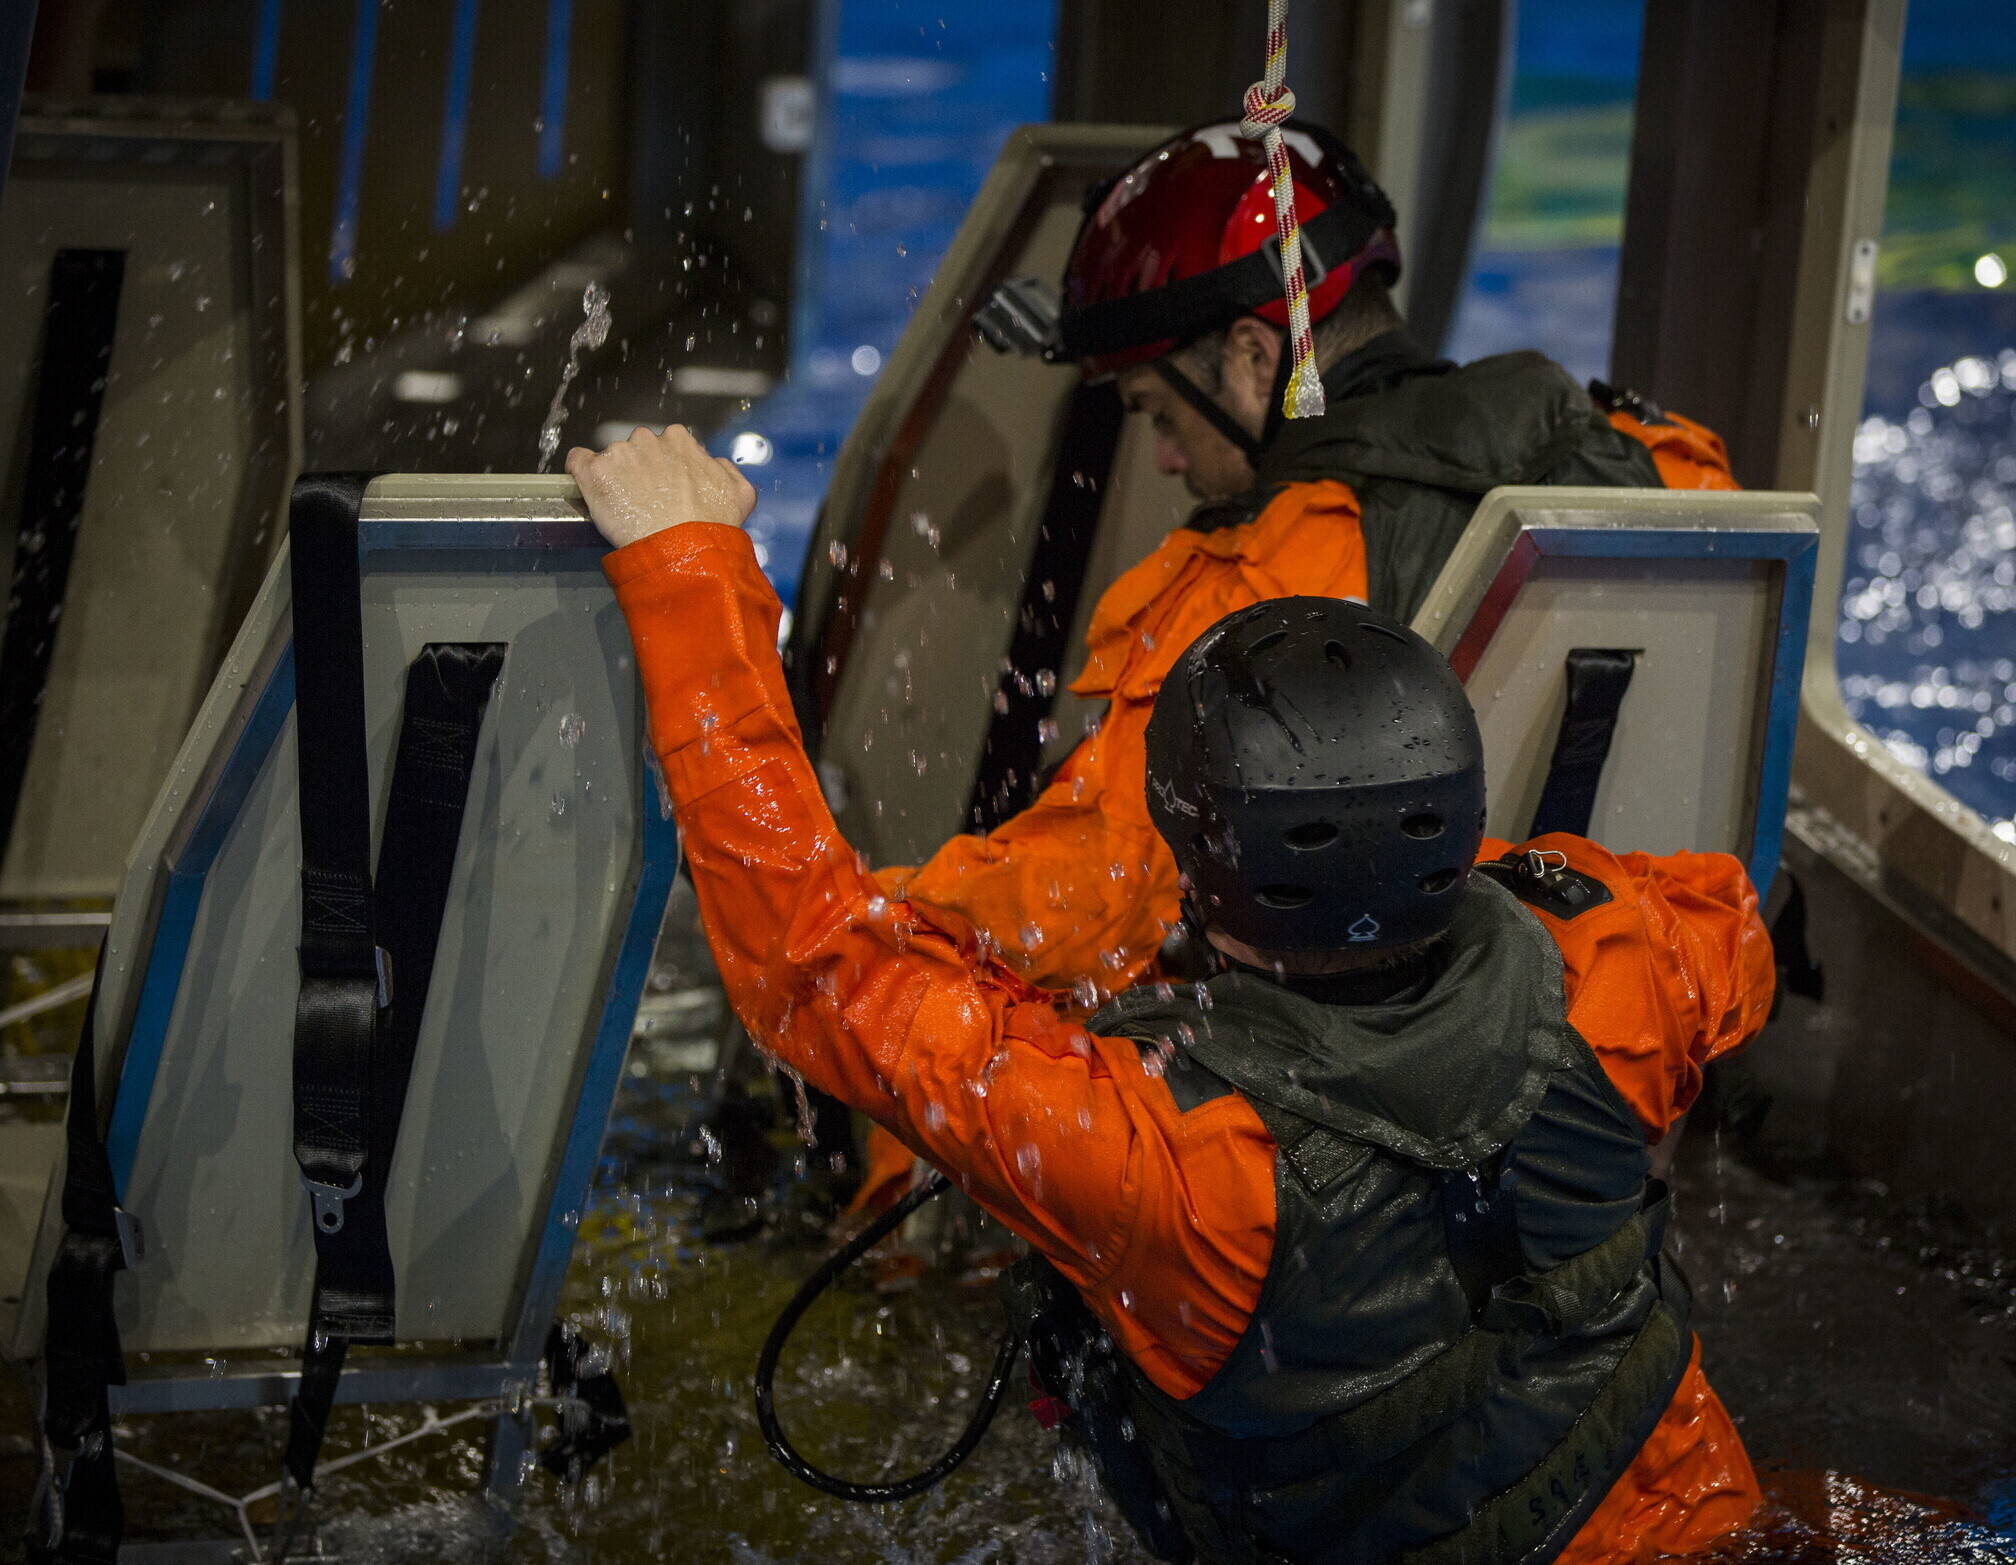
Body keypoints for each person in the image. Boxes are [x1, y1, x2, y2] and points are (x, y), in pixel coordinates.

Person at [567, 425, 1773, 1562]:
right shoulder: (1622, 958)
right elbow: (1735, 924)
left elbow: (816, 961)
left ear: (1192, 858)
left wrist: (687, 565)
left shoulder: (1161, 1160)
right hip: (1701, 1525)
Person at [844, 118, 1742, 1215]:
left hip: (1316, 1156)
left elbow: (1084, 908)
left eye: (1157, 411)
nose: (1166, 457)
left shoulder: (1264, 585)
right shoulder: (1673, 472)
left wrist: (856, 928)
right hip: (1604, 1090)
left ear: (1255, 353)